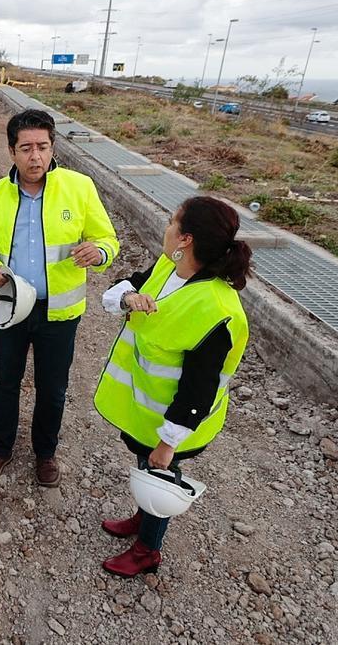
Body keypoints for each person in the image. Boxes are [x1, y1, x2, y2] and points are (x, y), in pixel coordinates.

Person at [94, 195, 252, 576]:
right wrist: (129, 297)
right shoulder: (170, 268)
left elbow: (198, 391)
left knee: (160, 478)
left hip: (174, 424)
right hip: (147, 413)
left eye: (172, 222)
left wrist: (167, 444)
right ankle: (143, 518)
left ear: (186, 239)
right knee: (145, 471)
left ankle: (149, 548)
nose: (166, 228)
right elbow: (121, 287)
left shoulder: (215, 309)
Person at [0, 109, 119, 487]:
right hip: (11, 308)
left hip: (60, 313)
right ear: (12, 151)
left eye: (43, 147)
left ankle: (45, 454)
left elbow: (109, 240)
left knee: (53, 389)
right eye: (26, 148)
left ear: (53, 148)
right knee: (5, 383)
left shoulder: (79, 188)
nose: (36, 157)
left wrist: (97, 253)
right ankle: (0, 450)